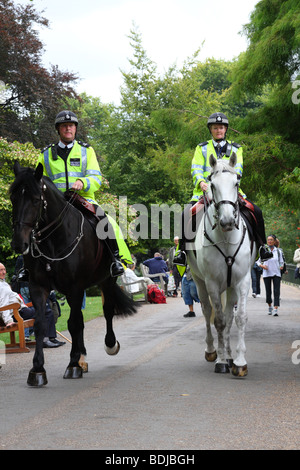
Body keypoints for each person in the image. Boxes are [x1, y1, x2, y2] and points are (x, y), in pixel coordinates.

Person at [37, 110, 129, 277]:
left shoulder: (87, 151)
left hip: (82, 199)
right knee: (31, 223)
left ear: (75, 129)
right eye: (64, 126)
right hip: (55, 203)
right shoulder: (46, 154)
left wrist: (83, 182)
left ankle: (115, 260)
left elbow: (96, 177)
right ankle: (27, 268)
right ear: (58, 129)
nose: (68, 129)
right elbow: (38, 180)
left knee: (104, 220)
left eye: (71, 125)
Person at [173, 112, 272, 266]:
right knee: (186, 214)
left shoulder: (236, 148)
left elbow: (238, 170)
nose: (218, 130)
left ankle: (263, 247)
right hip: (205, 192)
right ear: (210, 130)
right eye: (215, 128)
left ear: (226, 129)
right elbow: (196, 168)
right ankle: (182, 252)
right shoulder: (202, 149)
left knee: (256, 211)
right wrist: (201, 182)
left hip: (230, 192)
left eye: (221, 127)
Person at [0, 263, 64, 348]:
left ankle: (51, 339)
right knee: (46, 311)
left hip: (21, 310)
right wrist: (8, 321)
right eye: (1, 270)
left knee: (45, 308)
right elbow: (3, 304)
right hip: (17, 313)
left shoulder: (3, 283)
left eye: (4, 269)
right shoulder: (1, 286)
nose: (4, 272)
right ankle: (46, 340)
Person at [258, 235, 285, 316]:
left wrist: (281, 266)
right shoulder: (264, 250)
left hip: (276, 273)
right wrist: (262, 266)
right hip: (267, 274)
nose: (269, 241)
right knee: (268, 291)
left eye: (271, 240)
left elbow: (282, 261)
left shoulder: (278, 251)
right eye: (268, 239)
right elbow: (258, 261)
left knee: (277, 291)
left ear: (274, 241)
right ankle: (270, 306)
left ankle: (275, 309)